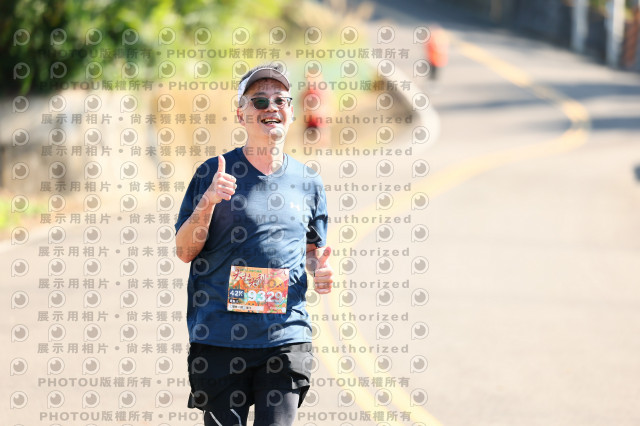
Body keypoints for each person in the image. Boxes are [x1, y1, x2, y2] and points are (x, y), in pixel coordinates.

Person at [174, 63, 333, 426]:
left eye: (280, 100)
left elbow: (313, 252)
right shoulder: (213, 172)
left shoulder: (308, 181)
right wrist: (208, 202)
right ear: (241, 114)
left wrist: (320, 269)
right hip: (220, 336)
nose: (271, 107)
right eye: (259, 101)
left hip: (285, 335)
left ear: (291, 111)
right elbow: (184, 251)